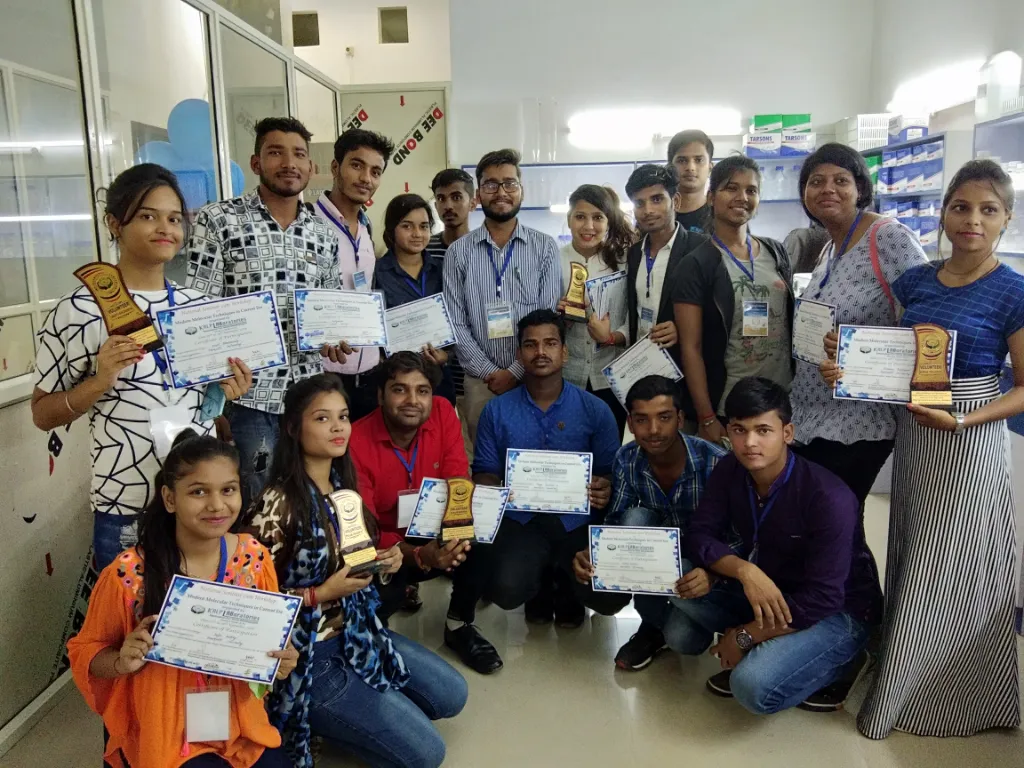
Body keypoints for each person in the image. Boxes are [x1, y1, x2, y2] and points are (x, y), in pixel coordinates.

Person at [857, 160, 1024, 739]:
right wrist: (846, 356)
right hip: (917, 433)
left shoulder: (1013, 291)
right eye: (961, 207)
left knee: (958, 566)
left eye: (988, 209)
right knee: (913, 553)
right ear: (946, 213)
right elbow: (892, 353)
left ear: (1006, 219)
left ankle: (962, 701)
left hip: (970, 442)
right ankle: (900, 682)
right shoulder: (918, 281)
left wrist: (965, 418)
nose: (971, 220)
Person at [33, 164, 252, 570]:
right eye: (147, 216)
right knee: (126, 629)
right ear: (114, 223)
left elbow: (205, 408)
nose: (164, 228)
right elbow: (42, 414)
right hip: (125, 503)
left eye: (173, 218)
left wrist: (225, 392)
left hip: (199, 505)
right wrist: (100, 381)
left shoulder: (196, 308)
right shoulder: (79, 308)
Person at [244, 374, 467, 768]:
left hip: (360, 629)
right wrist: (320, 593)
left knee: (452, 695)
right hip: (311, 653)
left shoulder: (341, 486)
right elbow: (250, 605)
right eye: (322, 419)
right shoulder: (276, 505)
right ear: (293, 428)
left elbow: (352, 558)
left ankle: (350, 716)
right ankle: (315, 719)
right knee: (428, 754)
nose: (337, 428)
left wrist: (387, 559)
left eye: (343, 416)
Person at [67, 430, 296, 768]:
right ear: (170, 499)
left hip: (238, 722)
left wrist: (280, 659)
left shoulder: (253, 558)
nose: (217, 505)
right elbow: (86, 651)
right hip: (163, 730)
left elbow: (268, 643)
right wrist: (120, 660)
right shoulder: (129, 575)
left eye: (228, 490)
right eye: (198, 492)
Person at [676, 377, 881, 714]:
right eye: (739, 430)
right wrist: (745, 571)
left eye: (763, 430)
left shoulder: (829, 497)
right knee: (677, 574)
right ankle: (775, 649)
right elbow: (699, 535)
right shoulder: (731, 469)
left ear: (787, 433)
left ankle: (847, 661)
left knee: (751, 688)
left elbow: (823, 598)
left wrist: (745, 636)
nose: (750, 443)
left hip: (836, 612)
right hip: (771, 589)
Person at [185, 117, 343, 509]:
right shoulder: (218, 220)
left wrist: (336, 338)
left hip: (309, 397)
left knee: (311, 499)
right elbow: (198, 313)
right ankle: (260, 572)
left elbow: (332, 307)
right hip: (248, 398)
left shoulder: (322, 234)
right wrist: (213, 406)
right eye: (276, 152)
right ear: (256, 163)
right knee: (256, 504)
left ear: (311, 167)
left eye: (299, 154)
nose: (289, 163)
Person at [790, 143, 927, 506]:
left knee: (838, 521)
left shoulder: (888, 237)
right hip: (813, 413)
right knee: (823, 522)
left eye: (841, 180)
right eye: (816, 181)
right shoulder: (829, 247)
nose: (827, 189)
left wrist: (858, 346)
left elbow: (928, 317)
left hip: (859, 420)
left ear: (861, 189)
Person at [349, 352, 503, 675]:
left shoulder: (444, 412)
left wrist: (452, 538)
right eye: (399, 389)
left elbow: (457, 477)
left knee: (483, 534)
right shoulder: (356, 441)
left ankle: (459, 624)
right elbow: (367, 528)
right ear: (380, 395)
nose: (412, 401)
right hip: (387, 546)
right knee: (377, 587)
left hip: (434, 528)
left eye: (422, 391)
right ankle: (377, 632)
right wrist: (420, 556)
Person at [472, 309, 622, 627]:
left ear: (564, 352)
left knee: (609, 595)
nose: (540, 352)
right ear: (519, 353)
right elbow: (484, 470)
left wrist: (605, 486)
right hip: (520, 520)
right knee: (505, 587)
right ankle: (537, 587)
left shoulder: (596, 410)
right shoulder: (496, 411)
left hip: (577, 521)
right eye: (530, 345)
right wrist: (493, 491)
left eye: (550, 343)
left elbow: (611, 472)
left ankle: (567, 585)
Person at [571, 375, 727, 670]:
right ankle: (653, 626)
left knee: (685, 641)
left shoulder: (716, 462)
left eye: (664, 418)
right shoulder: (627, 458)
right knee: (634, 520)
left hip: (708, 564)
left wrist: (713, 574)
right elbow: (616, 522)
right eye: (642, 420)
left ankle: (732, 626)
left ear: (680, 418)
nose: (654, 430)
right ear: (630, 423)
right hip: (660, 564)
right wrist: (594, 554)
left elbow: (740, 537)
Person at [443, 149, 561, 450]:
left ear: (521, 190)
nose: (501, 192)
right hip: (480, 383)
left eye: (509, 183)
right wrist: (490, 372)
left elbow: (547, 321)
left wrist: (515, 372)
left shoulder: (544, 247)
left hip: (534, 378)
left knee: (533, 460)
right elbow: (455, 321)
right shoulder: (459, 252)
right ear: (478, 195)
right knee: (485, 465)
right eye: (490, 184)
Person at [672, 156, 794, 443]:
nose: (742, 197)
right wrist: (706, 417)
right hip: (729, 405)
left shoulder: (775, 252)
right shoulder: (697, 264)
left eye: (751, 190)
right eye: (731, 188)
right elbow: (691, 348)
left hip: (779, 400)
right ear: (711, 197)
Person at [315, 128, 397, 421]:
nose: (366, 179)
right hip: (327, 371)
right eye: (357, 165)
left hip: (370, 370)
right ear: (336, 167)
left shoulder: (366, 228)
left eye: (375, 172)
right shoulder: (308, 225)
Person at [557, 184, 634, 438]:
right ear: (569, 220)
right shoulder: (554, 260)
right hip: (567, 377)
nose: (589, 226)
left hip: (610, 377)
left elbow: (632, 318)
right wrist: (557, 319)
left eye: (598, 217)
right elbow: (540, 319)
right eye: (580, 217)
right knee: (569, 445)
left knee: (608, 449)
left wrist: (611, 337)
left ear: (609, 221)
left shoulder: (624, 261)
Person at [373, 193, 456, 404]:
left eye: (424, 226)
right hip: (398, 381)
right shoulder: (377, 273)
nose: (417, 234)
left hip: (438, 379)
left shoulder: (443, 270)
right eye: (407, 226)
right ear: (392, 229)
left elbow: (458, 319)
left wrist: (447, 355)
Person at [624, 164, 703, 366]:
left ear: (675, 201)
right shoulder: (633, 254)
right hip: (641, 364)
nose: (648, 210)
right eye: (639, 203)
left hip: (682, 366)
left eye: (657, 199)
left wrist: (684, 328)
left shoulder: (700, 249)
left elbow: (720, 312)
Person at [668, 129, 714, 233]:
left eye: (699, 160)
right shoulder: (656, 215)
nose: (690, 167)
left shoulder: (722, 216)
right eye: (682, 160)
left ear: (710, 168)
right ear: (670, 167)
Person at [425, 168, 476, 259]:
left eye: (456, 198)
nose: (448, 206)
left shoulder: (485, 249)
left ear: (472, 204)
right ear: (436, 206)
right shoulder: (424, 249)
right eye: (441, 199)